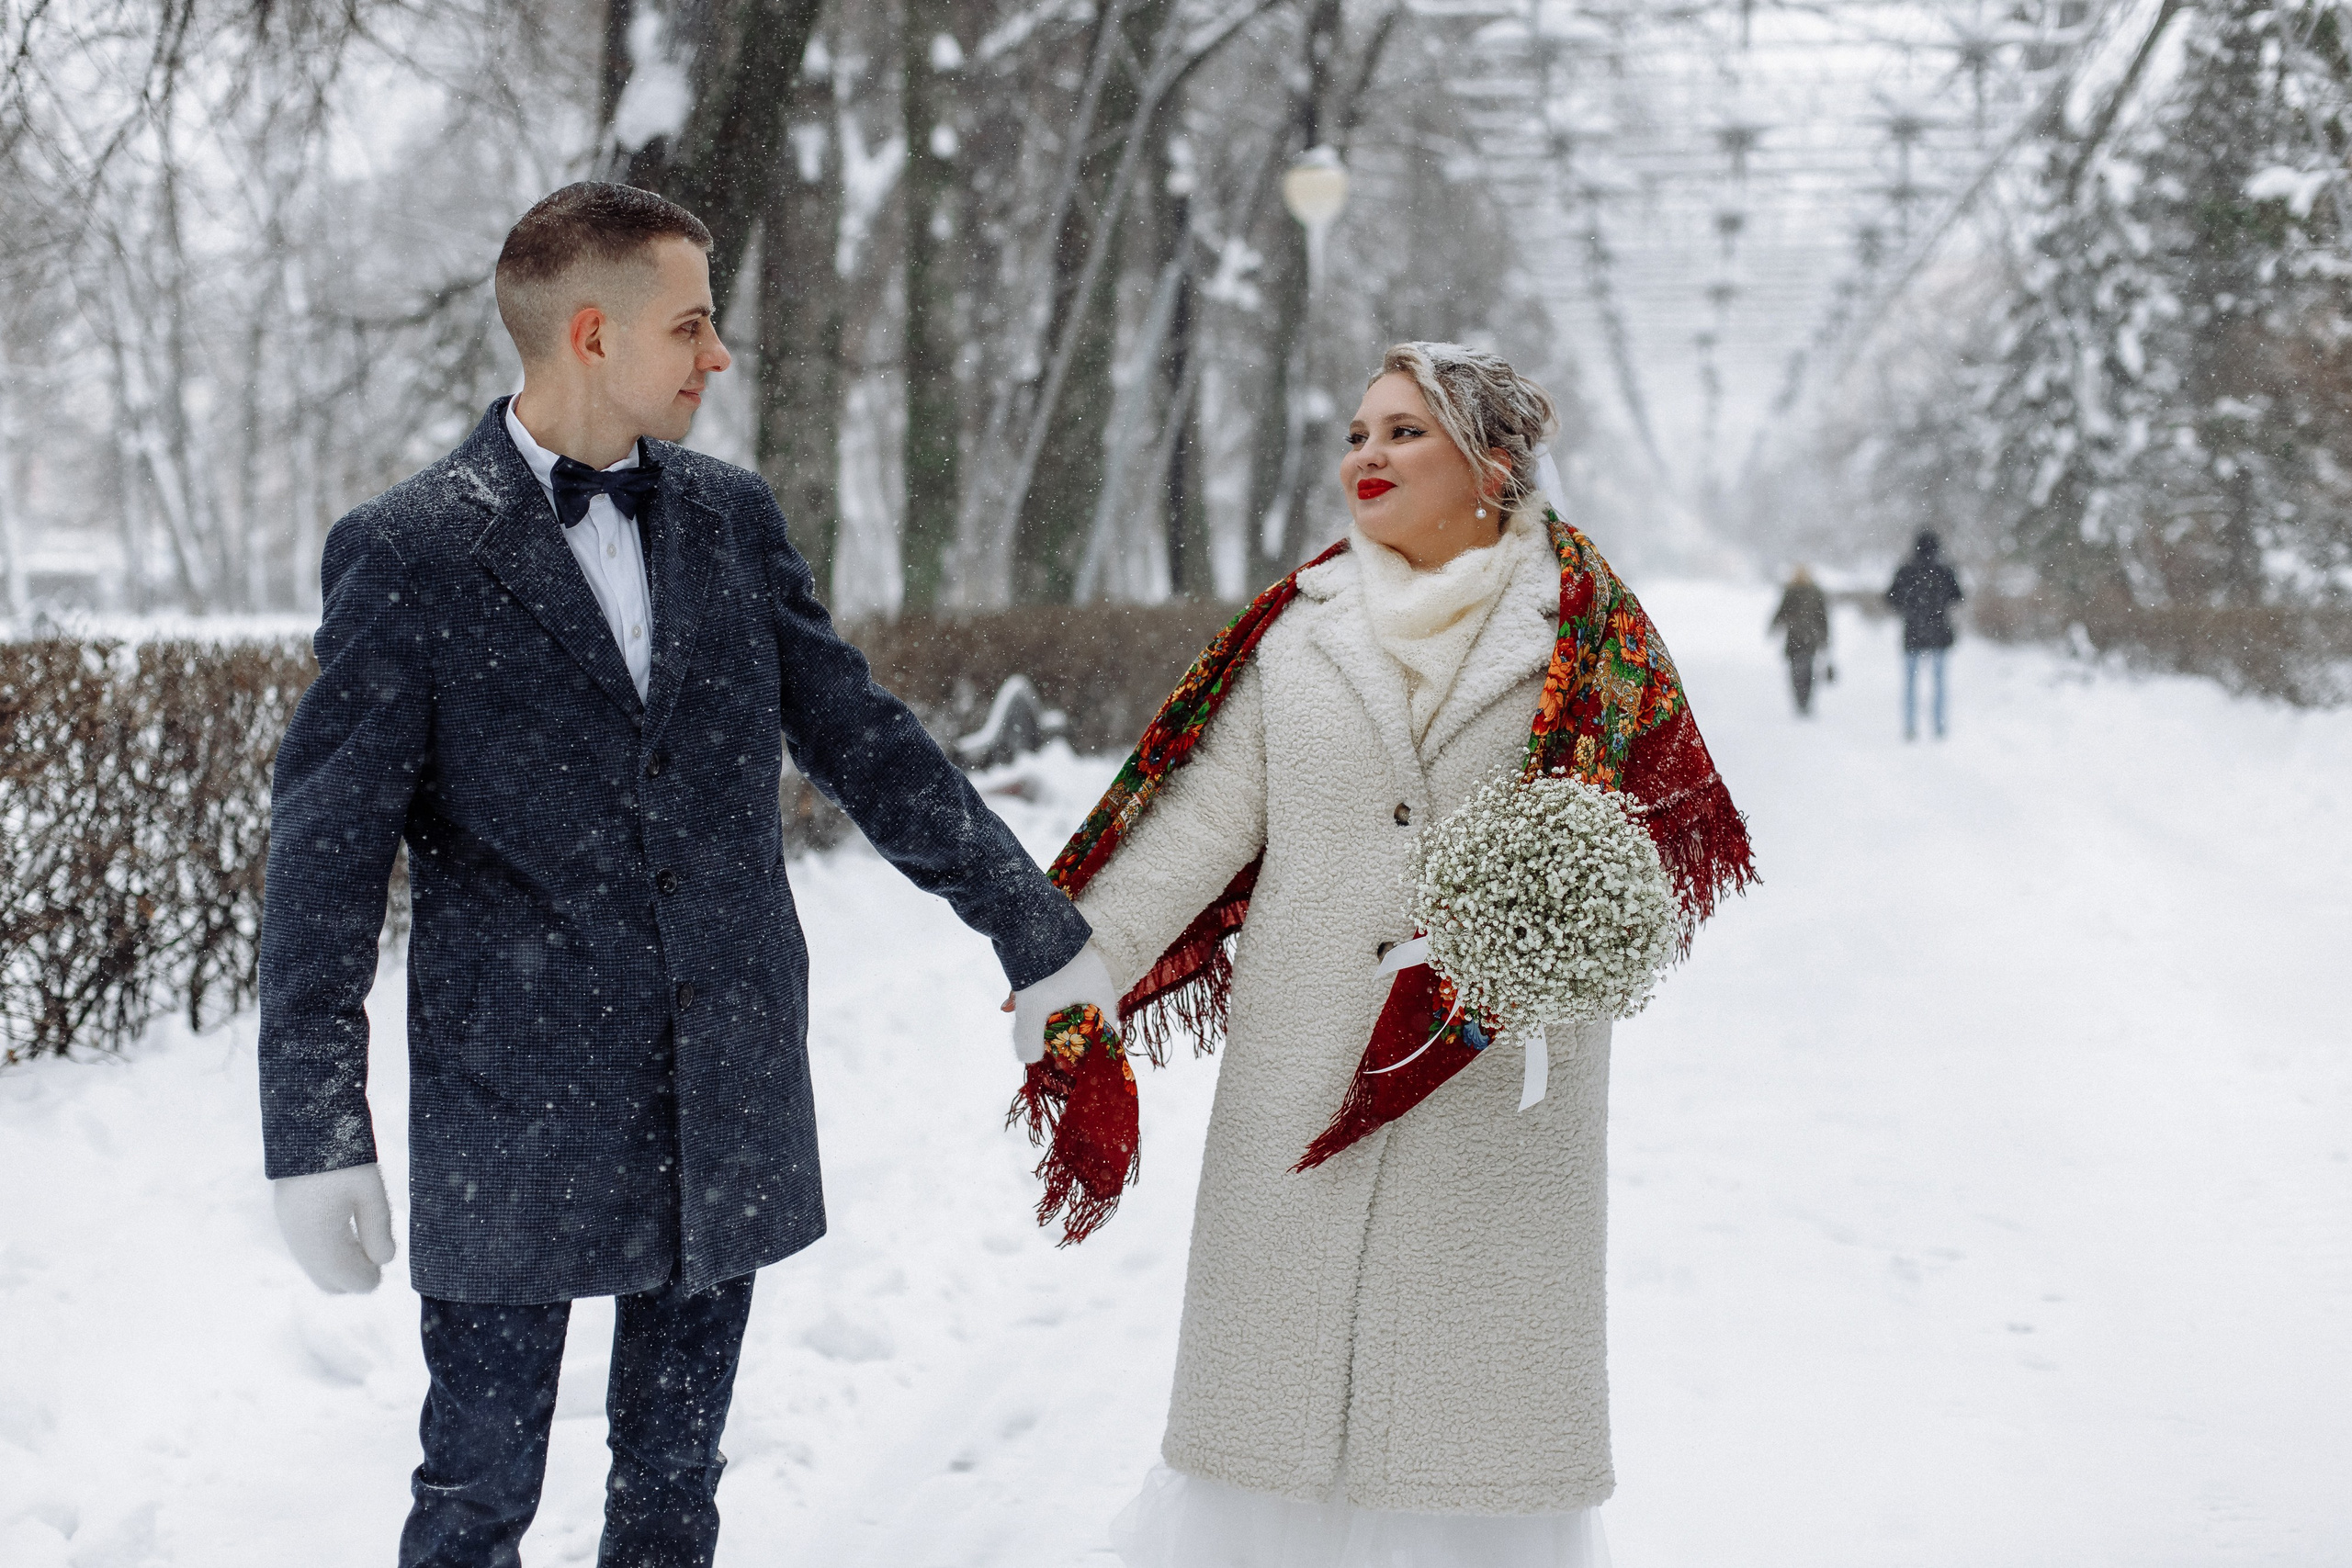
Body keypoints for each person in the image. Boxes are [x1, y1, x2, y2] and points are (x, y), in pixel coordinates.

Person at [255, 182, 1110, 1568]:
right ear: (592, 333)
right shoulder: (410, 552)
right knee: (474, 1499)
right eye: (693, 325)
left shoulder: (729, 516)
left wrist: (1035, 930)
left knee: (672, 1490)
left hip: (721, 1080)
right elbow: (327, 862)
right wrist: (314, 1124)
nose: (719, 357)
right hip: (511, 1101)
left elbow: (862, 736)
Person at [1018, 344, 1751, 1568]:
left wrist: (1569, 925)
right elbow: (1202, 815)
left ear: (1492, 465)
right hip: (1302, 1064)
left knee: (1471, 1437)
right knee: (1275, 1435)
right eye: (1359, 431)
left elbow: (1665, 840)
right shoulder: (1300, 628)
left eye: (1405, 432)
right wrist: (1073, 965)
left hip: (1493, 1088)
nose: (1366, 453)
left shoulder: (1593, 632)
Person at [1887, 529, 1964, 739]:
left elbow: (1890, 599)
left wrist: (1909, 607)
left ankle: (1910, 726)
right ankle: (1939, 726)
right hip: (1939, 633)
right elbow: (1958, 597)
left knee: (1911, 684)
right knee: (1939, 683)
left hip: (1913, 632)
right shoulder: (1945, 570)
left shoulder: (1905, 570)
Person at [1770, 565, 1831, 715]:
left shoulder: (1794, 591)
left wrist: (1775, 625)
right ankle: (1805, 701)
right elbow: (1822, 616)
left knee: (1797, 671)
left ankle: (1801, 700)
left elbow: (1782, 611)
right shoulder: (1814, 592)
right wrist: (1824, 636)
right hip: (1809, 637)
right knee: (1806, 670)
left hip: (1796, 637)